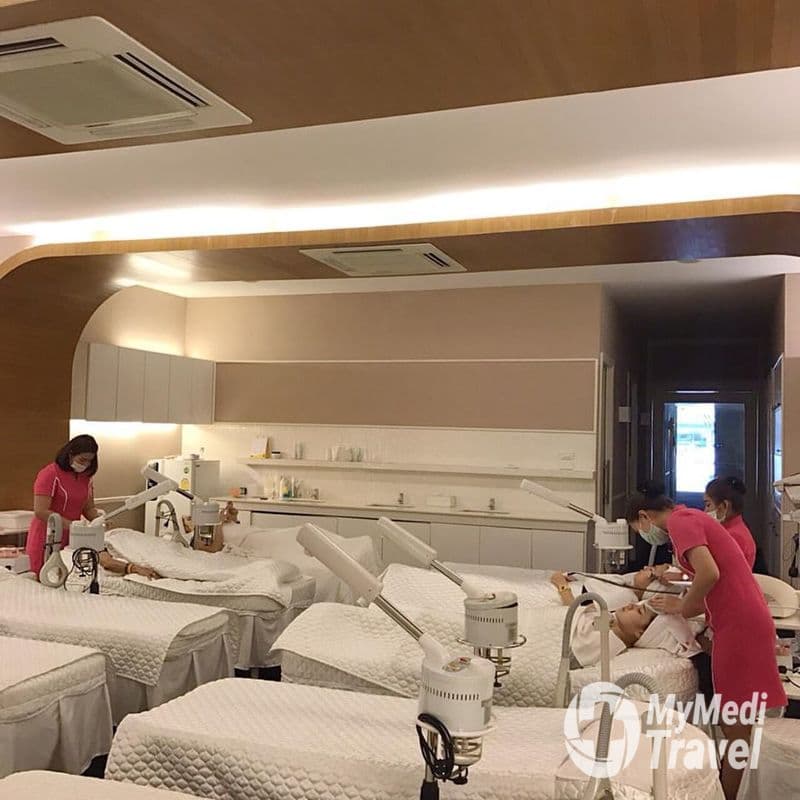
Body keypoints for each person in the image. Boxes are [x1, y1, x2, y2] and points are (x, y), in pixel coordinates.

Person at [627, 480, 785, 800]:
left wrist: (682, 607)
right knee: (738, 724)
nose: (644, 535)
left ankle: (726, 794)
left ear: (644, 516)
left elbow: (710, 573)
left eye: (638, 529)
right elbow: (714, 581)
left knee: (735, 725)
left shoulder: (680, 522)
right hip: (740, 620)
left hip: (740, 625)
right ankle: (733, 789)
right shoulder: (690, 518)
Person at [27, 435, 159, 580]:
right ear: (70, 454)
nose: (86, 464)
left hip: (76, 536)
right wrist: (73, 526)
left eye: (89, 461)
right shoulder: (50, 474)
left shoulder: (86, 478)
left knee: (67, 575)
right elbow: (41, 511)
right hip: (48, 535)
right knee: (45, 578)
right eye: (82, 460)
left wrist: (99, 520)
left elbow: (88, 508)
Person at [704, 476, 756, 569]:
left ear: (724, 506)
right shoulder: (734, 530)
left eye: (708, 505)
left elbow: (712, 572)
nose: (705, 511)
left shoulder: (733, 536)